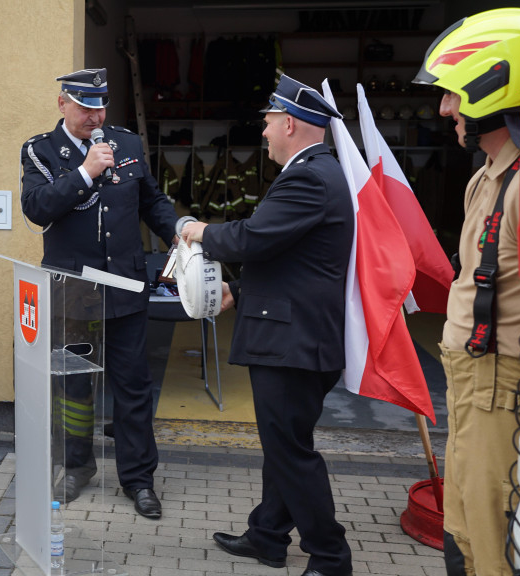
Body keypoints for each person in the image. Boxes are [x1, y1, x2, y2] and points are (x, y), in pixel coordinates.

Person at [180, 74, 353, 575]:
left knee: (290, 452)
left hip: (292, 341)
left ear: (292, 124)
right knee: (285, 445)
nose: (264, 133)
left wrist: (199, 231)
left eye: (270, 123)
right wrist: (239, 291)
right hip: (294, 335)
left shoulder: (309, 176)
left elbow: (253, 239)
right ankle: (268, 537)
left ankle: (330, 556)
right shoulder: (318, 172)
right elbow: (288, 256)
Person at [413, 9, 520, 576]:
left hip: (501, 387)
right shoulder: (488, 174)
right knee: (464, 526)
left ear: (495, 88)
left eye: (454, 94)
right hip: (474, 383)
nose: (445, 109)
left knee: (490, 531)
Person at [21, 68, 177, 519]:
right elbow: (36, 208)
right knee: (74, 384)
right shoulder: (40, 150)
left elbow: (151, 202)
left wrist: (181, 230)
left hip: (126, 288)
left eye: (100, 106)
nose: (95, 116)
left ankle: (138, 478)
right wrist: (87, 173)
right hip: (73, 291)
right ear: (62, 104)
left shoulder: (126, 143)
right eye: (86, 106)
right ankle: (76, 465)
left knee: (133, 386)